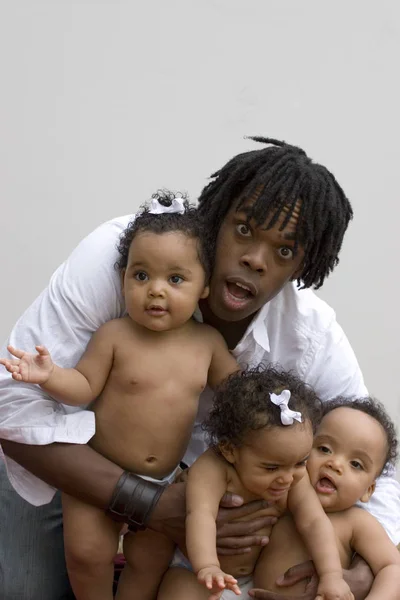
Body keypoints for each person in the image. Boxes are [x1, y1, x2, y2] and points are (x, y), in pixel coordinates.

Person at [1, 136, 399, 600]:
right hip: (72, 469)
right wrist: (151, 505)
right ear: (215, 216)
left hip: (208, 514)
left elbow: (380, 465)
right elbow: (12, 404)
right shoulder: (130, 255)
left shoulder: (309, 334)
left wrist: (371, 569)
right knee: (22, 591)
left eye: (285, 251)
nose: (255, 258)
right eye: (245, 229)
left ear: (303, 267)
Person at [0, 193, 239, 600]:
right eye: (141, 276)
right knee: (86, 554)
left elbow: (238, 397)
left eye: (175, 279)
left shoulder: (209, 344)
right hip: (99, 472)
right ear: (123, 276)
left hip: (164, 480)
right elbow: (83, 385)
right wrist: (50, 375)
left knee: (147, 563)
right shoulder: (114, 335)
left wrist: (272, 408)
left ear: (204, 287)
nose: (155, 291)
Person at [158, 366, 353, 600]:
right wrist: (208, 567)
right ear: (230, 450)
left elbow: (314, 522)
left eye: (301, 463)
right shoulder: (213, 469)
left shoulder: (293, 479)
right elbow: (200, 515)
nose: (287, 477)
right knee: (179, 592)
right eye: (271, 468)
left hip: (252, 579)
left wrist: (331, 575)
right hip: (195, 570)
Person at [250, 397, 400, 599]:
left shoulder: (356, 522)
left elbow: (392, 567)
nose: (335, 464)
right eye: (324, 449)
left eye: (355, 464)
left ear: (368, 490)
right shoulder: (282, 499)